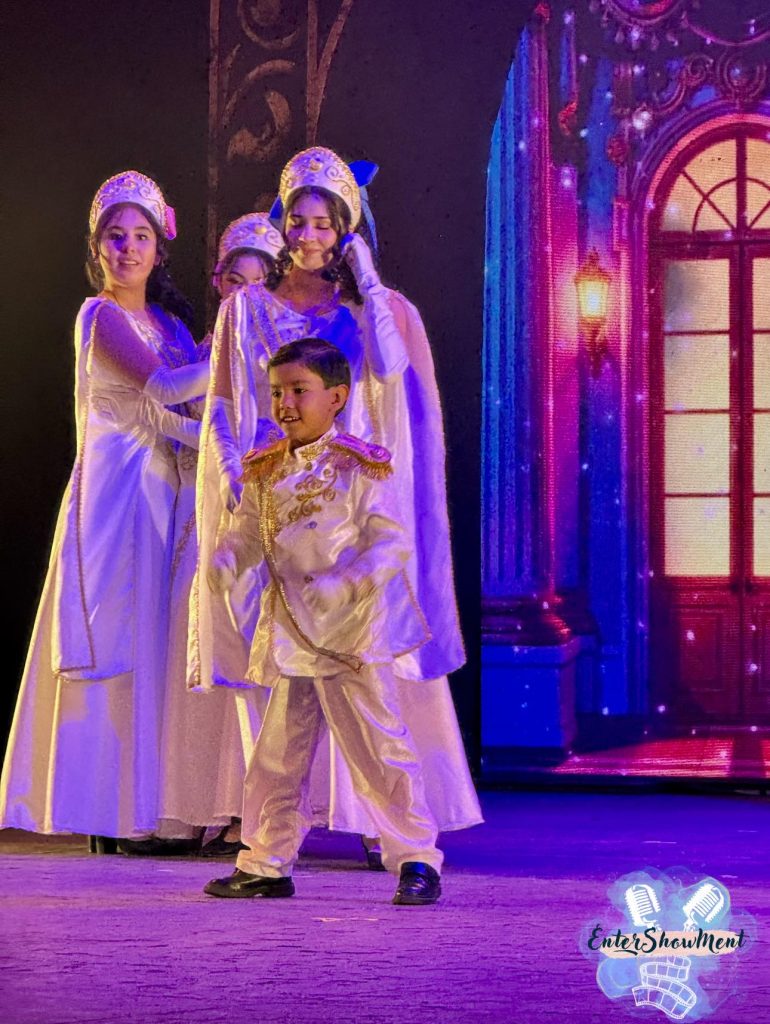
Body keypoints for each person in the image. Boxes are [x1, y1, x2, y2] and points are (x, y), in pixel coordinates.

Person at [190, 147, 482, 861]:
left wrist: (368, 277)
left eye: (325, 222)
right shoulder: (246, 309)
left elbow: (390, 371)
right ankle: (266, 857)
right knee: (281, 724)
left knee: (369, 707)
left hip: (344, 524)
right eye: (299, 220)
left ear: (347, 228)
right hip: (275, 513)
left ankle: (404, 845)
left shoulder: (370, 312)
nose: (309, 234)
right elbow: (223, 403)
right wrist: (234, 485)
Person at [0, 171, 234, 845]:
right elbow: (164, 389)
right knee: (117, 644)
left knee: (158, 647)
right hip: (115, 499)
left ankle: (153, 812)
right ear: (96, 246)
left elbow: (185, 414)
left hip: (164, 498)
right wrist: (236, 342)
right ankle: (105, 811)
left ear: (160, 248)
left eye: (140, 236)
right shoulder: (99, 316)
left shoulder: (170, 323)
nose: (128, 248)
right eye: (115, 236)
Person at [204, 339, 443, 905]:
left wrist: (347, 581)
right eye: (277, 392)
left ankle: (416, 858)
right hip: (292, 631)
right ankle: (265, 862)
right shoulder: (265, 468)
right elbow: (246, 533)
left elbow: (391, 543)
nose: (285, 404)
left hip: (350, 634)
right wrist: (227, 558)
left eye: (298, 391)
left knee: (379, 749)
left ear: (336, 397)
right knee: (276, 757)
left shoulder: (362, 465)